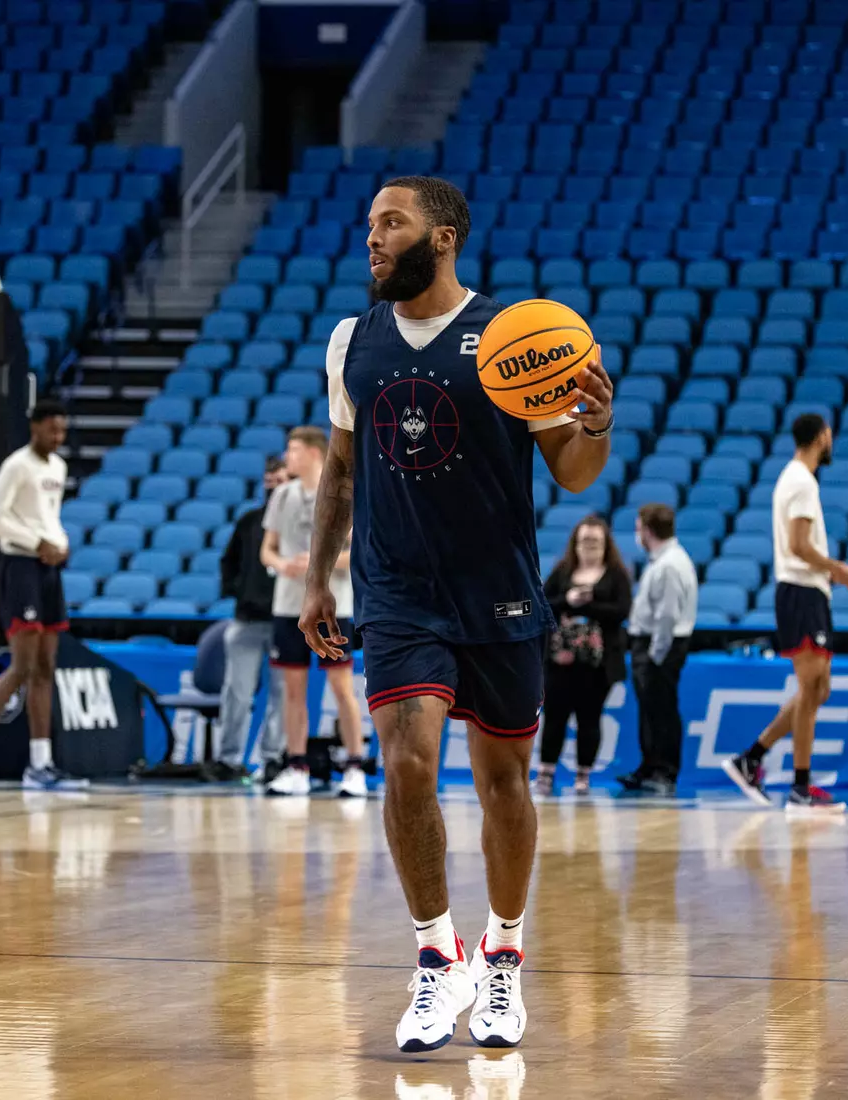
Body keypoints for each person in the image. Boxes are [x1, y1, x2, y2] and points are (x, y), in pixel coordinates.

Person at [297, 175, 614, 1051]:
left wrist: (596, 424)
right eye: (369, 224)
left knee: (503, 785)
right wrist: (318, 579)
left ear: (441, 238)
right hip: (397, 593)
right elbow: (340, 470)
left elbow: (572, 472)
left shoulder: (515, 338)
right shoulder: (350, 341)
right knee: (405, 765)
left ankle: (501, 955)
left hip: (497, 590)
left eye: (391, 223)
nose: (372, 237)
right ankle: (437, 958)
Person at [722, 413, 848, 814]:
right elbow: (799, 545)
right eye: (829, 436)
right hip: (801, 592)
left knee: (818, 690)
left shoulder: (796, 478)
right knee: (810, 687)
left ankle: (752, 757)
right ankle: (800, 787)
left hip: (807, 591)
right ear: (821, 437)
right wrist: (837, 568)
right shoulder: (801, 481)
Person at [0, 399, 87, 791]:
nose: (58, 437)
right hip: (20, 567)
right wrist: (36, 541)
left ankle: (40, 763)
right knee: (22, 666)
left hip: (47, 570)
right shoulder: (16, 465)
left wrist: (60, 542)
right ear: (35, 427)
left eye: (62, 430)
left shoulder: (57, 467)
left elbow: (47, 516)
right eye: (52, 429)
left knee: (45, 668)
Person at [262, 426, 367, 798]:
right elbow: (267, 550)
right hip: (288, 604)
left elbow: (362, 550)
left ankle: (355, 766)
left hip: (333, 603)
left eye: (293, 449)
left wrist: (321, 564)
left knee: (342, 687)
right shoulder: (283, 495)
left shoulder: (344, 491)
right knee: (292, 689)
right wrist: (283, 564)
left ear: (313, 453)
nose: (287, 456)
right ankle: (297, 766)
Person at [534, 514, 631, 798]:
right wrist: (568, 601)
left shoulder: (616, 575)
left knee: (589, 718)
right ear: (575, 543)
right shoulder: (562, 571)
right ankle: (546, 772)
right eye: (585, 540)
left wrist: (587, 606)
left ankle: (583, 774)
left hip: (597, 665)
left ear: (605, 544)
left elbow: (622, 611)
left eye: (595, 541)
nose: (589, 546)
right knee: (555, 716)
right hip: (559, 661)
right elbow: (542, 603)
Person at [215, 456, 287, 781]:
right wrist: (238, 591)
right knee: (237, 694)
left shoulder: (302, 522)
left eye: (280, 482)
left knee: (282, 695)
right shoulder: (249, 521)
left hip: (285, 620)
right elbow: (228, 561)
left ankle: (273, 758)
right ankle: (228, 759)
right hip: (246, 620)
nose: (273, 488)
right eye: (269, 482)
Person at [623, 502, 698, 796]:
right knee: (650, 709)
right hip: (653, 643)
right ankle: (649, 765)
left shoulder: (669, 565)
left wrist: (655, 655)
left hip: (660, 645)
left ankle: (664, 771)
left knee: (662, 709)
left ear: (648, 531)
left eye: (638, 528)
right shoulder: (663, 561)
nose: (637, 535)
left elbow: (667, 615)